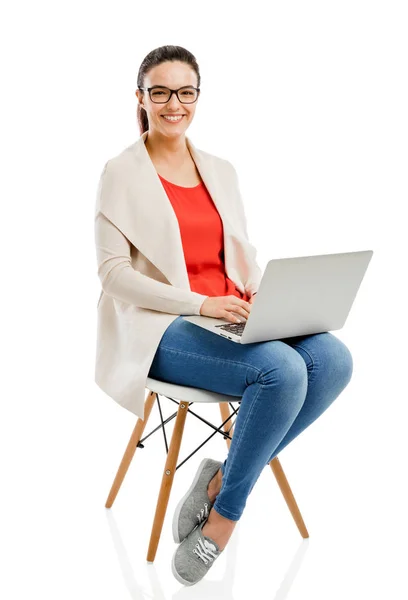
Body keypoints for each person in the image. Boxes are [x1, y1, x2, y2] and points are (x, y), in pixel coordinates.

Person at [99, 45, 354, 586]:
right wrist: (199, 303)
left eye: (185, 92)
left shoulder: (220, 169)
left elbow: (237, 255)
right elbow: (113, 275)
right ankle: (223, 521)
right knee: (280, 370)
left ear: (197, 97)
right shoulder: (121, 172)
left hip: (229, 315)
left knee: (331, 358)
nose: (174, 104)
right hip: (163, 327)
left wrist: (263, 295)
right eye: (161, 91)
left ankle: (218, 480)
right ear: (140, 98)